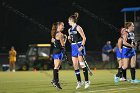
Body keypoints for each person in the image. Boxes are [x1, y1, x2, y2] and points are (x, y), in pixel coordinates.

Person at [68, 12, 90, 89]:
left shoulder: (78, 27)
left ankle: (87, 82)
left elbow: (84, 38)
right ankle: (79, 82)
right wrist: (69, 39)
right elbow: (71, 41)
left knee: (82, 64)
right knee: (75, 65)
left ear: (71, 20)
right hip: (73, 47)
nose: (68, 22)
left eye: (69, 21)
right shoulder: (69, 30)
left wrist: (82, 46)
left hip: (79, 46)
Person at [51, 22, 65, 89]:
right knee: (57, 67)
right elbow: (63, 45)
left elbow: (52, 40)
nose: (63, 27)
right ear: (58, 26)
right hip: (59, 51)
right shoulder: (60, 34)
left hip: (55, 51)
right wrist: (65, 39)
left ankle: (54, 80)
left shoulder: (54, 33)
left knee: (57, 67)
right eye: (62, 25)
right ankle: (56, 82)